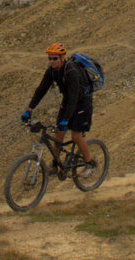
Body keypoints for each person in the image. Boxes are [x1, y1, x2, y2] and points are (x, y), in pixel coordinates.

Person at [21, 43, 96, 176]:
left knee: (76, 136)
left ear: (62, 58)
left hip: (82, 103)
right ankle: (55, 165)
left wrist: (66, 120)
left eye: (55, 58)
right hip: (68, 102)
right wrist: (30, 109)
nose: (52, 61)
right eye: (50, 58)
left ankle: (89, 164)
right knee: (59, 135)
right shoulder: (52, 71)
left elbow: (74, 98)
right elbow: (41, 89)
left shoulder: (71, 71)